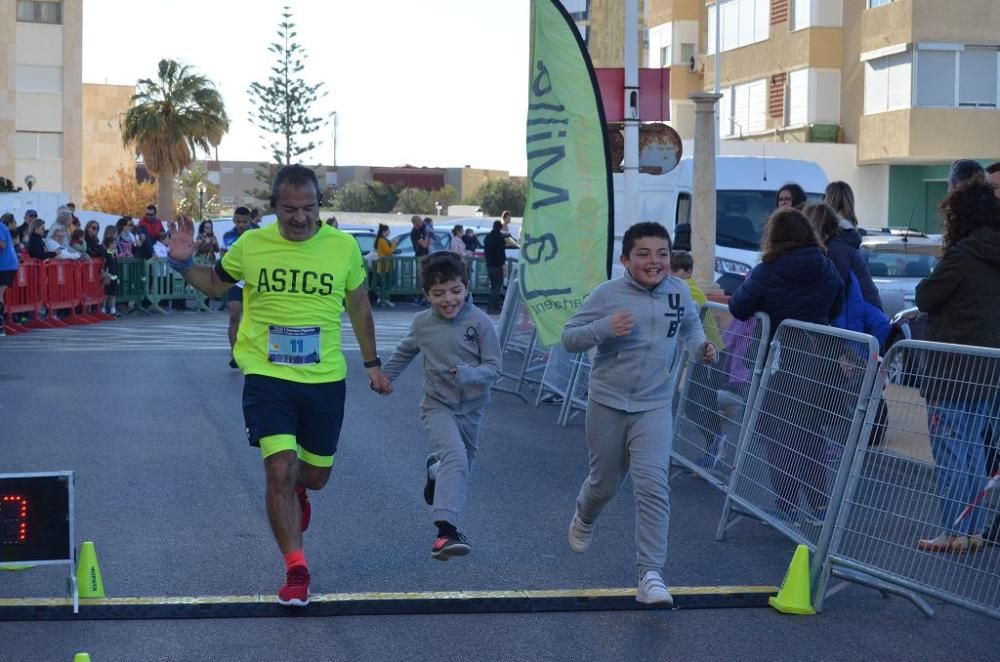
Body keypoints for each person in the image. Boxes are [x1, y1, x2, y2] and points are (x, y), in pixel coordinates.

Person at [165, 164, 390, 607]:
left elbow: (359, 306)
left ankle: (301, 491)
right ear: (274, 207)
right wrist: (183, 262)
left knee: (315, 476)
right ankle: (296, 569)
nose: (300, 218)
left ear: (319, 206)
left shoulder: (342, 248)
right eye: (289, 209)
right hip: (268, 376)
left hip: (324, 378)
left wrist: (372, 364)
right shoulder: (251, 245)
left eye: (308, 208)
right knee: (279, 469)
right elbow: (215, 284)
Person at [562, 222, 716, 605]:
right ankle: (585, 513)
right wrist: (603, 328)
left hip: (655, 404)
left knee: (651, 484)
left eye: (661, 253)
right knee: (605, 483)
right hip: (607, 401)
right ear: (625, 259)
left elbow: (691, 328)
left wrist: (701, 349)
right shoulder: (607, 294)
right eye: (644, 254)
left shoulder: (679, 293)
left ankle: (651, 575)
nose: (654, 261)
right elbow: (569, 337)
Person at [381, 252, 501, 559]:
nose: (449, 299)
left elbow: (494, 368)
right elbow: (405, 351)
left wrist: (468, 374)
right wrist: (385, 378)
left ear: (466, 287)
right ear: (426, 295)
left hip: (472, 408)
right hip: (438, 406)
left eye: (455, 291)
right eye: (438, 294)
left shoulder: (481, 323)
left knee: (459, 467)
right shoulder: (423, 324)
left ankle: (434, 470)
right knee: (457, 460)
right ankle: (446, 532)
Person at [729, 208, 844, 526]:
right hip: (818, 359)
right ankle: (820, 506)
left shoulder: (768, 269)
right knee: (810, 434)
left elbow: (739, 307)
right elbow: (838, 304)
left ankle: (787, 504)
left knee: (777, 434)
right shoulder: (826, 266)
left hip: (777, 361)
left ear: (774, 235)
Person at [913, 160, 1000, 554]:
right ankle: (973, 530)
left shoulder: (962, 254)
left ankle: (952, 530)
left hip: (951, 369)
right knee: (973, 450)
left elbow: (926, 296)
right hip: (986, 367)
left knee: (950, 450)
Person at [804, 203, 888, 344]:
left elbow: (835, 292)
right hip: (862, 316)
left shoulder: (835, 250)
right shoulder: (839, 246)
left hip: (858, 319)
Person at [221, 207, 255, 368]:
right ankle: (235, 353)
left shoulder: (257, 235)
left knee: (253, 319)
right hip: (235, 282)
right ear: (234, 220)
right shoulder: (228, 236)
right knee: (234, 316)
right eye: (238, 221)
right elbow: (222, 256)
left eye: (244, 221)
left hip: (254, 283)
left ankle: (252, 351)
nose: (241, 225)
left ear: (249, 221)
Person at [483, 220, 507, 314]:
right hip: (497, 266)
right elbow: (501, 254)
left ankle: (495, 306)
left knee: (493, 286)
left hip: (489, 265)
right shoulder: (499, 238)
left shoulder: (488, 237)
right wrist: (504, 266)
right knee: (497, 287)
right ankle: (492, 307)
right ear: (500, 227)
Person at [0, 213, 18, 335]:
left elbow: (2, 244)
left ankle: (0, 326)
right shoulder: (3, 226)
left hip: (5, 265)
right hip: (9, 264)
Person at [373, 224, 398, 307]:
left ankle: (382, 299)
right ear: (384, 231)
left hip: (385, 264)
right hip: (385, 265)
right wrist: (394, 244)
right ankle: (385, 299)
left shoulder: (381, 239)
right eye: (388, 230)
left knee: (386, 282)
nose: (389, 232)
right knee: (388, 282)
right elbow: (388, 252)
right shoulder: (382, 240)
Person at [100, 227, 121, 317]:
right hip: (108, 275)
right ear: (108, 244)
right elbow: (104, 264)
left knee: (113, 293)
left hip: (114, 276)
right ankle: (103, 309)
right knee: (105, 294)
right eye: (113, 243)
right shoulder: (106, 253)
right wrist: (105, 273)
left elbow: (115, 265)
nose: (115, 245)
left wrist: (117, 276)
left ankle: (113, 309)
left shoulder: (114, 253)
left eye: (115, 243)